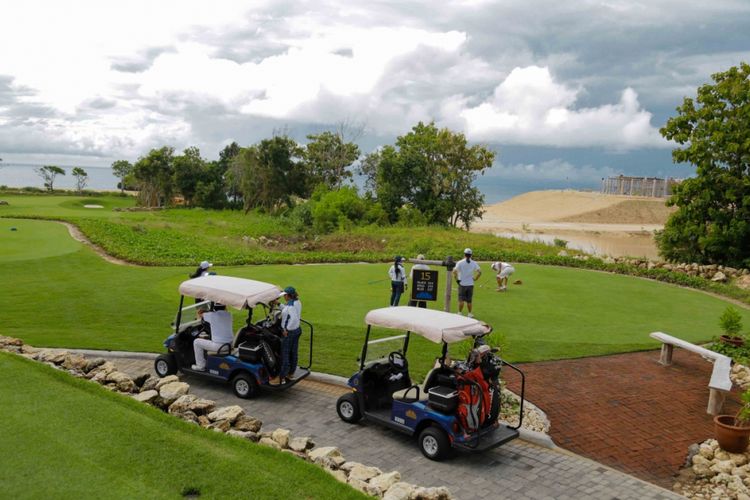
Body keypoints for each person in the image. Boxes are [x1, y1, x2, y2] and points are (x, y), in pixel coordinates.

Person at [192, 303, 233, 371]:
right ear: (224, 306)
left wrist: (200, 311)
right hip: (229, 344)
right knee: (207, 338)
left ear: (214, 308)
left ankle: (200, 366)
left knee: (196, 342)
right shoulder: (229, 315)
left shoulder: (211, 315)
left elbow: (199, 315)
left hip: (219, 346)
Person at [278, 286, 302, 383]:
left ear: (288, 296)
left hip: (290, 332)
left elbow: (293, 318)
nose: (284, 297)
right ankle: (291, 374)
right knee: (293, 352)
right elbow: (287, 309)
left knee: (285, 353)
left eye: (285, 295)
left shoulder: (291, 306)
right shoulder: (297, 302)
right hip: (297, 330)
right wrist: (279, 304)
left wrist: (286, 329)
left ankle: (282, 377)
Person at [452, 248, 481, 317]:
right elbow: (479, 272)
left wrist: (456, 279)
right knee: (469, 300)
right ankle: (470, 313)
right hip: (470, 284)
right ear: (471, 255)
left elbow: (454, 271)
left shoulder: (460, 262)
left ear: (464, 254)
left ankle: (459, 312)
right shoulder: (474, 263)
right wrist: (475, 278)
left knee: (461, 299)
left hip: (462, 284)